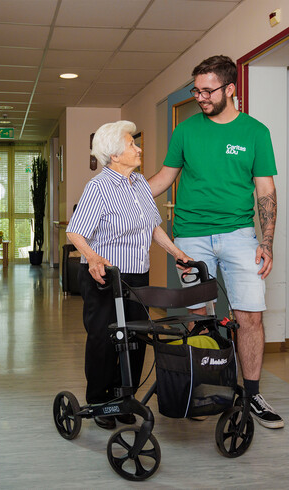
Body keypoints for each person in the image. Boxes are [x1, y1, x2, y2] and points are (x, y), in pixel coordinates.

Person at [148, 55, 283, 429]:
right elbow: (164, 177)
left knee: (249, 316)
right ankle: (201, 386)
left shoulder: (255, 132)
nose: (201, 97)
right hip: (190, 237)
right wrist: (127, 191)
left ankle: (252, 393)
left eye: (208, 91)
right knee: (198, 316)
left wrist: (267, 242)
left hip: (240, 235)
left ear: (230, 89)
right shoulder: (186, 131)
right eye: (197, 90)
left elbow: (266, 191)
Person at [67, 120, 192, 430]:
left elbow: (153, 227)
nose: (139, 148)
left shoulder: (138, 185)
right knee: (105, 339)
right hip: (104, 277)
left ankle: (124, 398)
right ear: (114, 154)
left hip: (137, 276)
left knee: (135, 338)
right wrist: (94, 257)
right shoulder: (98, 187)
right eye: (132, 145)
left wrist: (177, 253)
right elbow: (75, 232)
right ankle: (99, 401)